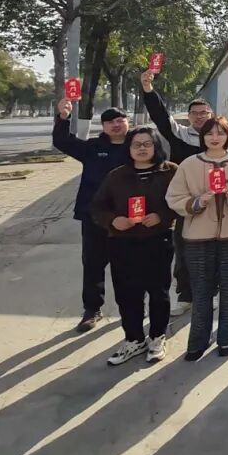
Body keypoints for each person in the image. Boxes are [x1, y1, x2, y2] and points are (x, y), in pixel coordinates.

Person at [166, 117, 228, 361]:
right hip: (198, 236)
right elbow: (174, 196)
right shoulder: (190, 164)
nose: (215, 138)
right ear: (202, 137)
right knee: (201, 290)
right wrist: (196, 202)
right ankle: (198, 340)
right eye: (209, 133)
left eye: (220, 133)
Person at [90, 127, 179, 364]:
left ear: (156, 146)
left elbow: (181, 203)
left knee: (158, 293)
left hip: (157, 240)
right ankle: (134, 339)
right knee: (127, 294)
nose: (142, 148)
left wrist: (162, 216)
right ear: (128, 148)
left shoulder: (170, 172)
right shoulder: (117, 176)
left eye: (147, 144)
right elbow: (97, 207)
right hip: (122, 243)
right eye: (136, 144)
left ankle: (157, 336)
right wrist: (113, 220)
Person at [140, 71, 215, 317]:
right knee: (184, 249)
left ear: (211, 115)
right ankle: (185, 295)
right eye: (195, 113)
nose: (199, 117)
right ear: (189, 116)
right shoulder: (179, 134)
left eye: (204, 113)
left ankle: (211, 293)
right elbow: (160, 116)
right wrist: (148, 89)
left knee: (214, 250)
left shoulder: (221, 138)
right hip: (186, 204)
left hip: (215, 203)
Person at [52, 99, 131, 333]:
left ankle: (130, 307)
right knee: (93, 263)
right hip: (94, 215)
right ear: (103, 126)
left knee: (128, 264)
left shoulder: (138, 146)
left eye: (120, 120)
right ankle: (92, 309)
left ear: (127, 122)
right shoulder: (93, 148)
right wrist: (63, 117)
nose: (116, 125)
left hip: (128, 216)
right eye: (110, 122)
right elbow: (62, 141)